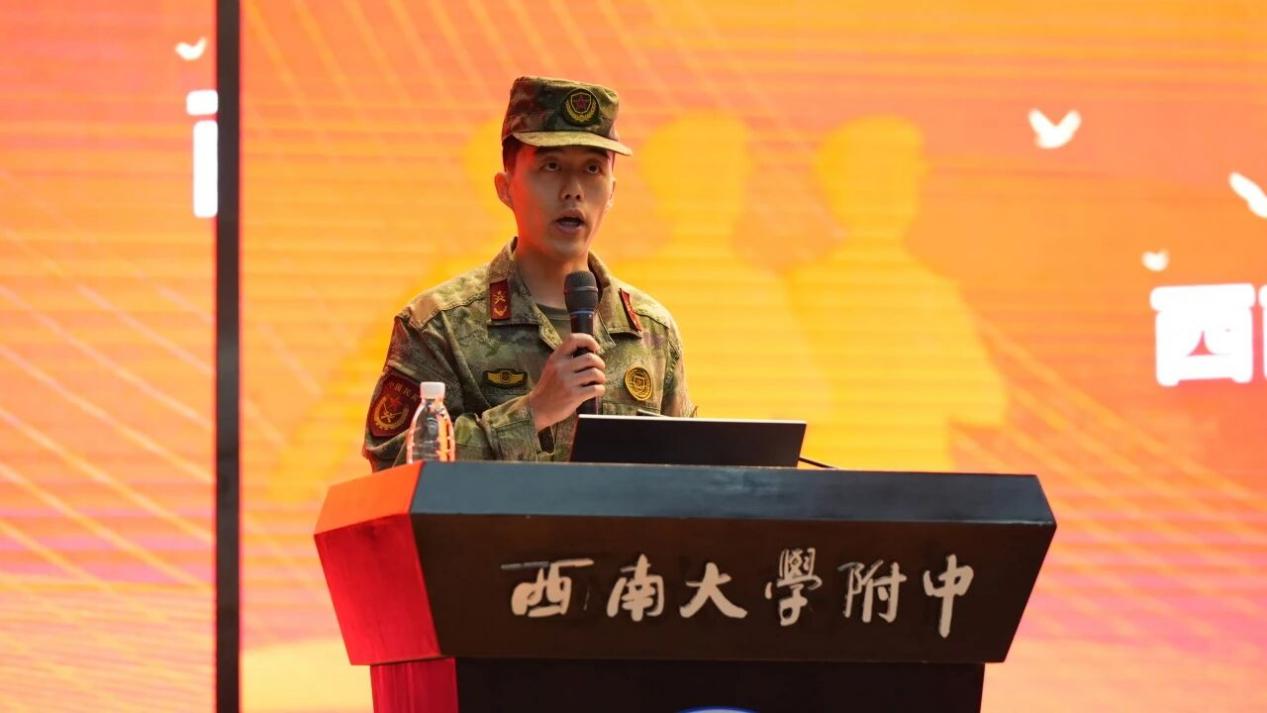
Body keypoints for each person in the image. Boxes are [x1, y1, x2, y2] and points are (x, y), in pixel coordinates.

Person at [363, 76, 696, 469]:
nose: (573, 190)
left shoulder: (651, 331)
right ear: (505, 188)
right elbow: (392, 469)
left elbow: (688, 475)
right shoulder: (439, 326)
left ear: (612, 192)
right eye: (551, 166)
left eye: (592, 169)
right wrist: (533, 412)